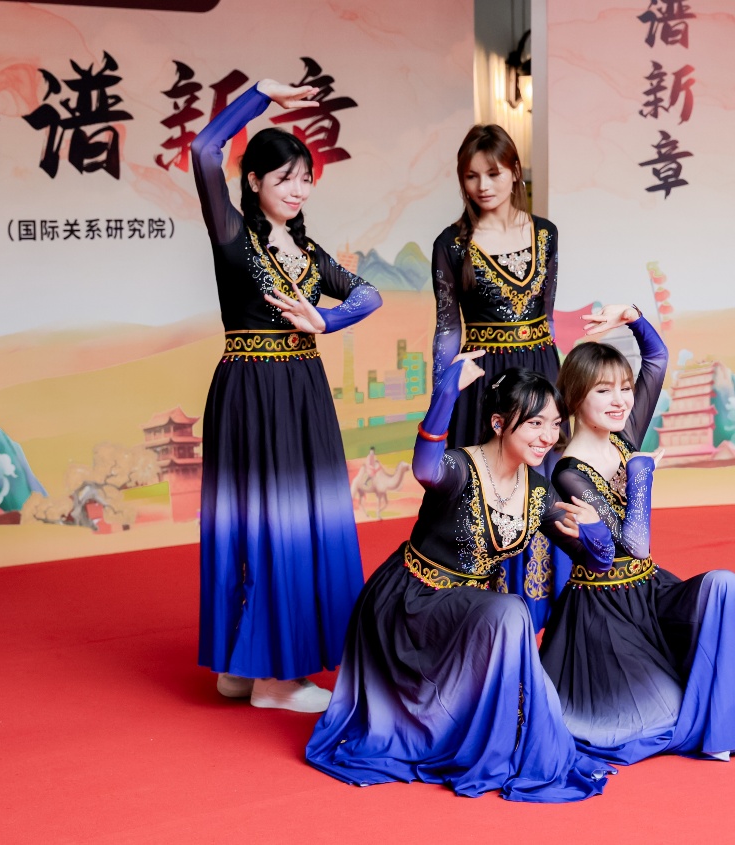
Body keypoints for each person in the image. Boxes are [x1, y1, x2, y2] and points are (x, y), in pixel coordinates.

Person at [307, 354, 619, 802]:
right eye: (535, 424)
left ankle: (506, 739)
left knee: (508, 612)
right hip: (411, 605)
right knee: (511, 610)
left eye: (554, 425)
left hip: (468, 616)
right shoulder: (459, 467)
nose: (548, 437)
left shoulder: (537, 491)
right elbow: (424, 468)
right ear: (498, 423)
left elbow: (597, 563)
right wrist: (445, 395)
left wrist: (595, 531)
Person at [191, 79, 383, 712]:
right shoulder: (232, 236)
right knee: (265, 522)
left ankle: (244, 667)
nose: (297, 190)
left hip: (300, 389)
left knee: (290, 521)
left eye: (305, 179)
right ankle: (271, 681)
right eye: (284, 179)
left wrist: (326, 320)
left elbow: (369, 295)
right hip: (250, 389)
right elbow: (204, 150)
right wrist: (259, 96)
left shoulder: (309, 252)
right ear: (253, 183)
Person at [541, 305, 735, 765]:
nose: (621, 400)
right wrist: (641, 474)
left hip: (647, 589)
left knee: (725, 585)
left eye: (625, 388)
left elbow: (657, 359)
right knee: (658, 716)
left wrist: (632, 317)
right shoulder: (568, 472)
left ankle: (726, 729)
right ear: (576, 397)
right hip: (605, 613)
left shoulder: (622, 437)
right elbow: (631, 545)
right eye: (604, 390)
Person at [431, 124, 566, 625]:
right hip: (484, 384)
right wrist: (443, 397)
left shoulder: (546, 233)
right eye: (471, 176)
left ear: (514, 171)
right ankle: (484, 620)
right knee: (484, 493)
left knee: (543, 488)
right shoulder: (452, 244)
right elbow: (447, 330)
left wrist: (558, 393)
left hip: (540, 371)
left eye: (492, 173)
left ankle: (539, 615)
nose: (483, 185)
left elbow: (547, 316)